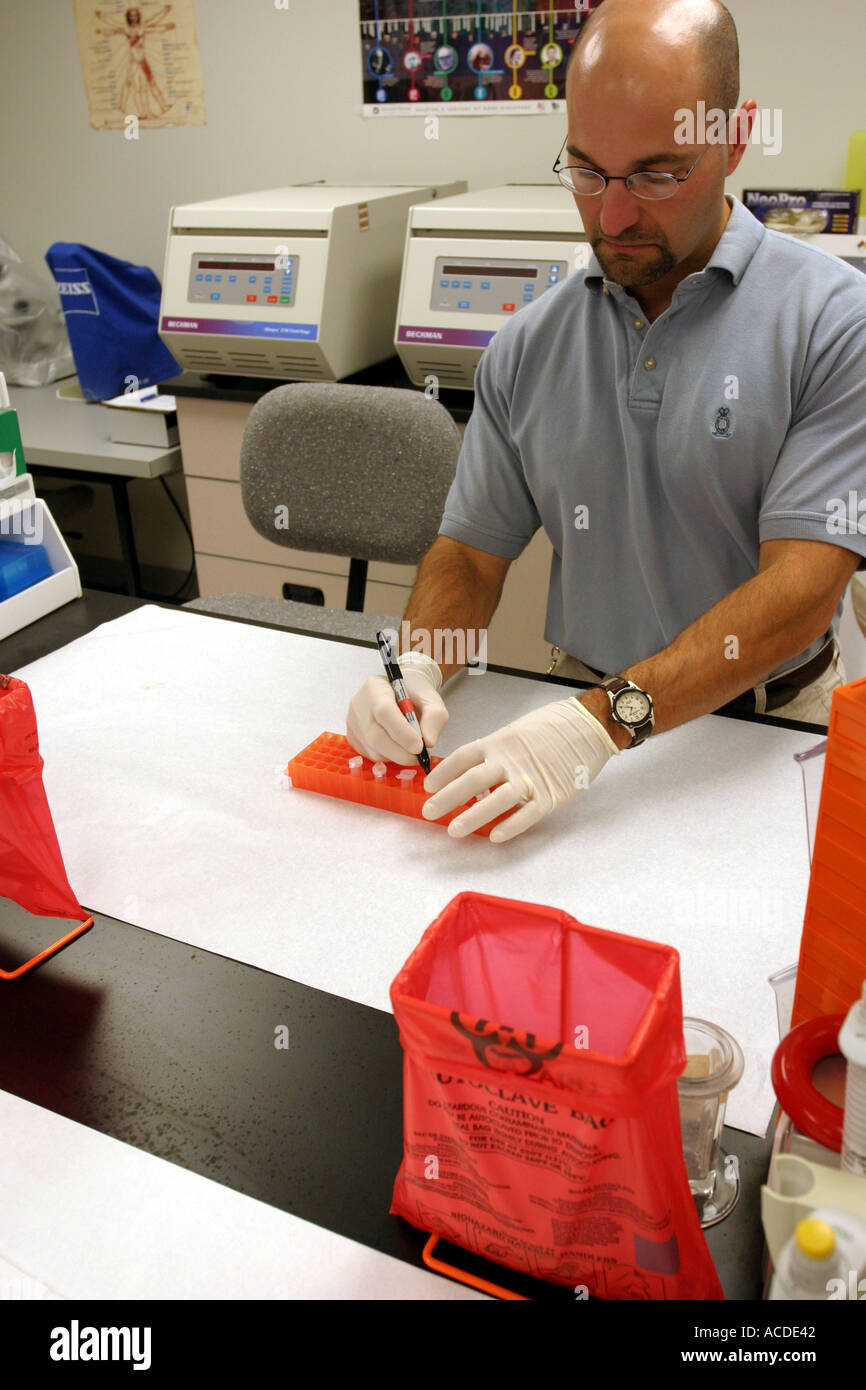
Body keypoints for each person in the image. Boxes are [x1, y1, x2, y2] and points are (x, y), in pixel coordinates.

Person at [347, 0, 866, 844]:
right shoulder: (529, 343)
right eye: (588, 171)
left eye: (659, 174)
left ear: (735, 139)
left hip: (767, 733)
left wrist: (605, 721)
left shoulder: (836, 323)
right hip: (573, 723)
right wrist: (418, 666)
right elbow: (471, 557)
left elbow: (803, 592)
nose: (614, 216)